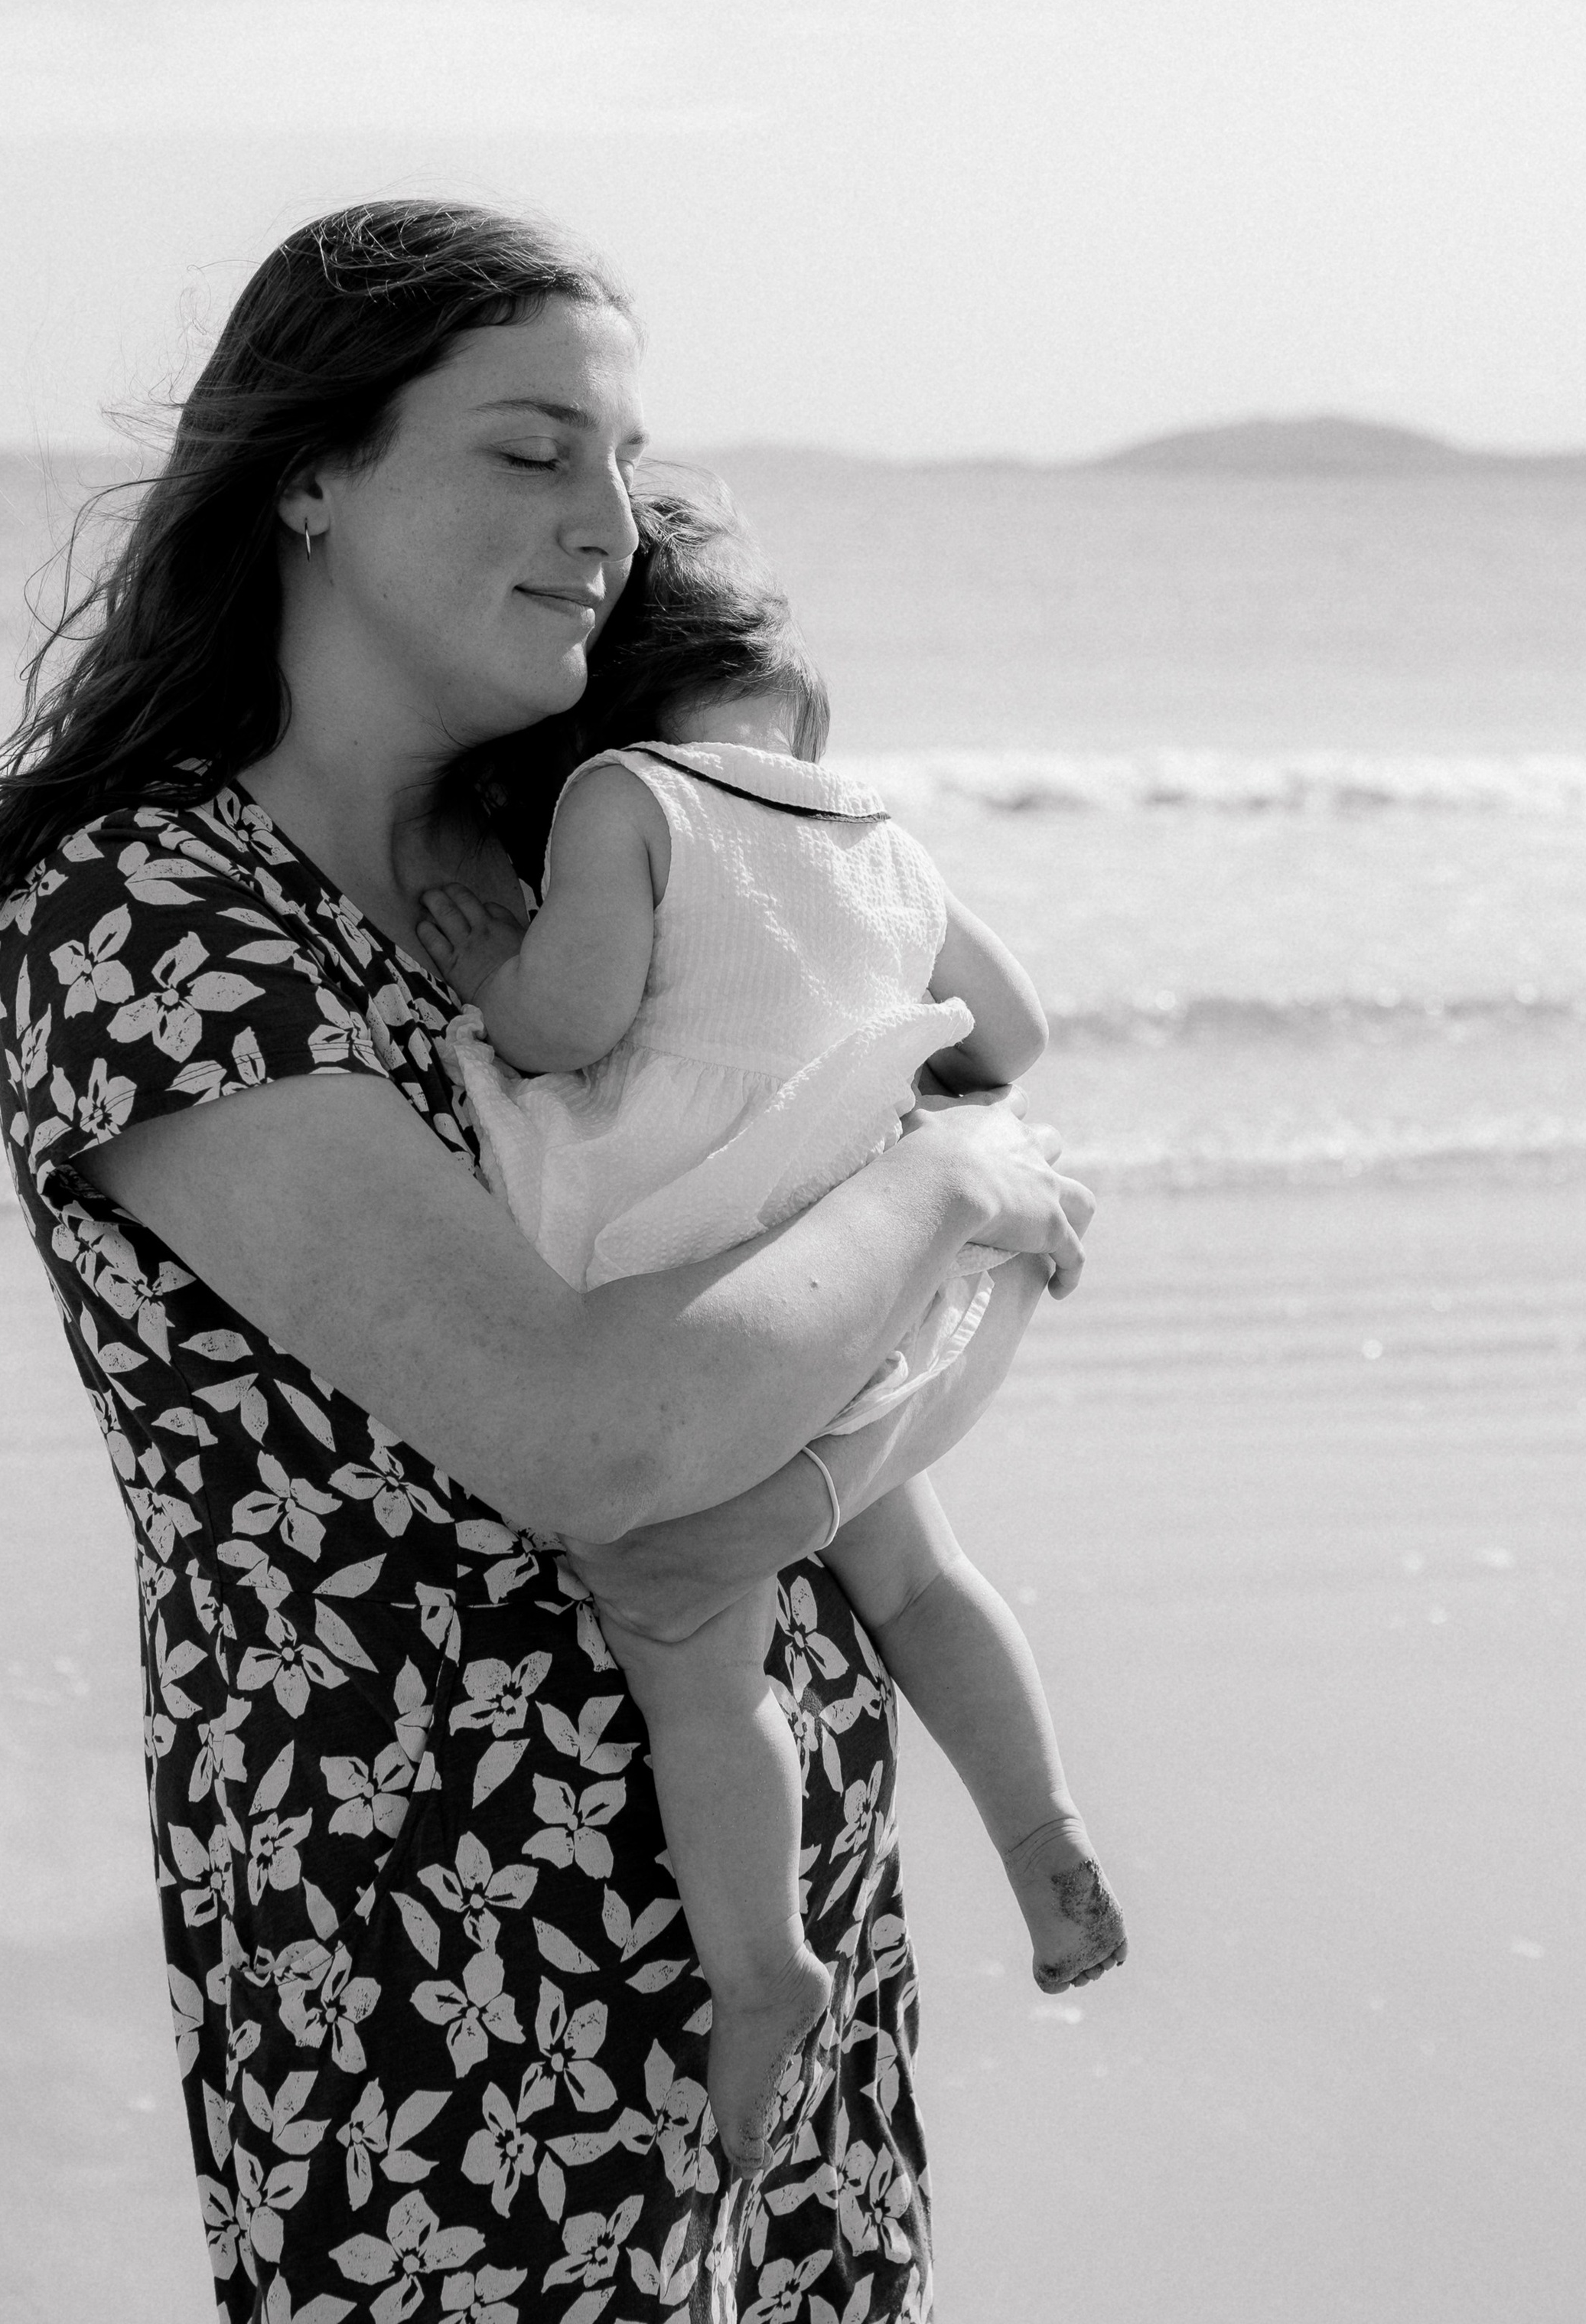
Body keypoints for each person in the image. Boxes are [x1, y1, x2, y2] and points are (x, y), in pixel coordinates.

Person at [0, 201, 1096, 2324]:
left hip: (763, 1892)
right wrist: (955, 1188)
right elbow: (588, 1432)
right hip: (436, 1945)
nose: (605, 522)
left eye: (625, 462)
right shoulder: (153, 918)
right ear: (311, 476)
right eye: (532, 451)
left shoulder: (569, 857)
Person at [423, 487, 1126, 2169]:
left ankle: (760, 1970)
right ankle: (1042, 1836)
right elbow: (1009, 1034)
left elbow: (576, 1017)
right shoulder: (873, 830)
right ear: (796, 701)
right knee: (922, 1576)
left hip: (716, 1273)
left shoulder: (626, 795)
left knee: (691, 1655)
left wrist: (492, 970)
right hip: (861, 1268)